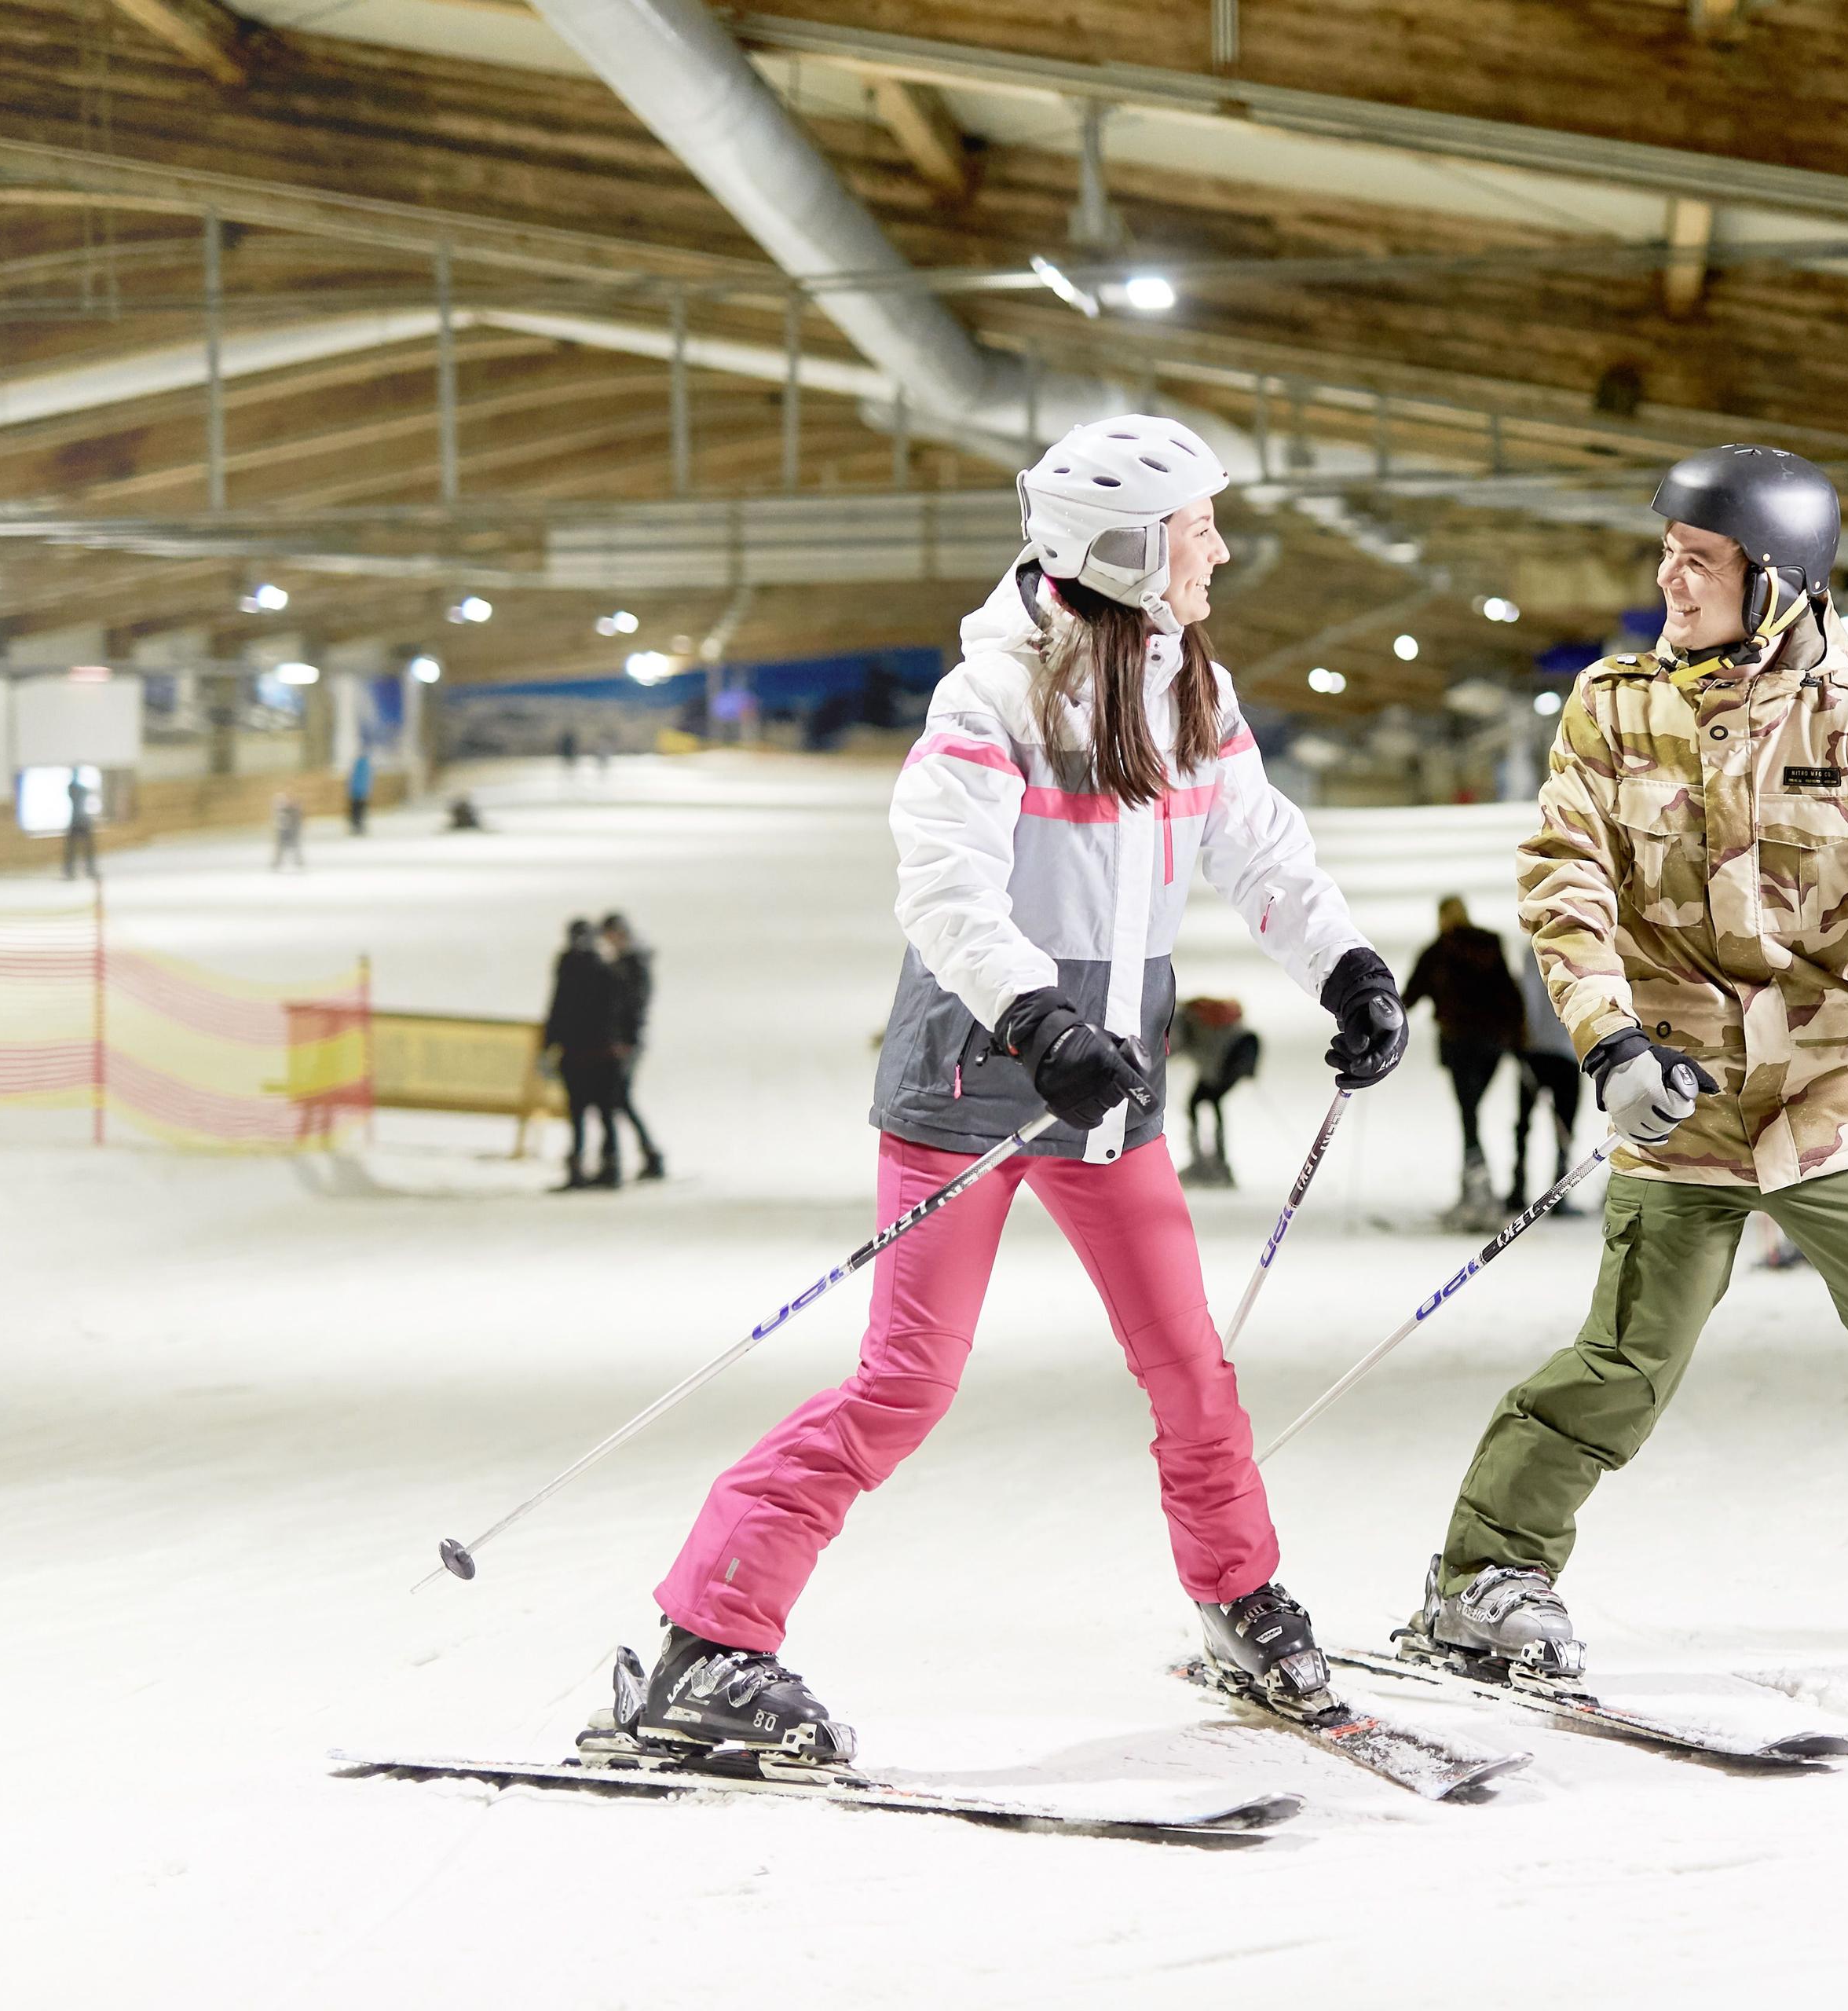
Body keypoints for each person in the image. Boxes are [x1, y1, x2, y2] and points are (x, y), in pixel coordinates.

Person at [623, 416, 1410, 1763]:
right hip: (981, 1073)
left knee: (1191, 1372)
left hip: (1110, 1088)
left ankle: (1237, 1599)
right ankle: (709, 1644)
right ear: (1120, 551)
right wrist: (1037, 1015)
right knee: (905, 1386)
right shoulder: (985, 698)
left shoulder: (1187, 693)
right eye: (1195, 528)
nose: (1218, 548)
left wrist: (1344, 967)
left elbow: (1259, 848)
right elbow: (945, 886)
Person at [1418, 444, 1848, 1738]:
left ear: (1775, 583)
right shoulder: (1612, 710)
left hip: (1834, 1092)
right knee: (1625, 1360)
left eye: (1698, 557)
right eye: (1665, 548)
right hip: (1680, 1094)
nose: (1669, 572)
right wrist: (1608, 1044)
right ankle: (1487, 1570)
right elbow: (1567, 890)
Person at [1400, 896, 1528, 1227]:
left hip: (1459, 1043)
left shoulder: (1438, 951)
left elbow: (1411, 995)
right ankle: (1476, 1183)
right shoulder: (1490, 944)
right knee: (1471, 1110)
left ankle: (1476, 1184)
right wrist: (1518, 1038)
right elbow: (1508, 991)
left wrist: (1379, 1021)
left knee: (1468, 1111)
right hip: (1493, 1043)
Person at [542, 917, 627, 1191]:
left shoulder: (572, 969)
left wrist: (549, 1046)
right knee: (602, 1114)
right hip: (600, 1054)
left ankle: (584, 1168)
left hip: (583, 1054)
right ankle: (608, 1167)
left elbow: (557, 1010)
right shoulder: (607, 970)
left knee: (583, 1115)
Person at [1503, 929, 1579, 1211]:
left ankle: (1522, 1187)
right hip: (1560, 1051)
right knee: (1561, 1125)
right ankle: (1555, 1192)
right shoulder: (1572, 952)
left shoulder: (1533, 952)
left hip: (1540, 1051)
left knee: (1526, 1124)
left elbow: (1527, 997)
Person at [599, 912, 667, 1181]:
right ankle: (649, 1154)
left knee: (618, 1098)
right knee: (619, 1099)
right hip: (626, 1041)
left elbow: (633, 1007)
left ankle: (649, 1155)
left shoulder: (632, 964)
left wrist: (626, 1040)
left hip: (627, 1043)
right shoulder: (629, 962)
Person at [1171, 996, 1261, 1189]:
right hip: (1238, 1052)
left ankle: (1207, 1164)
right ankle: (1214, 1161)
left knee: (1200, 1103)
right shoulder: (1191, 1014)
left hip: (1226, 1061)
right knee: (1205, 1103)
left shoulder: (1181, 1020)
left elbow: (1173, 1046)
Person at [60, 773, 97, 881]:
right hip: (77, 822)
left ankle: (88, 869)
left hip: (82, 821)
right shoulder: (75, 789)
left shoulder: (79, 790)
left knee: (87, 848)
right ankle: (70, 871)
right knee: (72, 849)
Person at [269, 789, 304, 872]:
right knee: (281, 847)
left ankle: (298, 861)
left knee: (295, 846)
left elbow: (297, 820)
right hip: (283, 832)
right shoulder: (281, 811)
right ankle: (277, 862)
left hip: (291, 831)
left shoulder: (292, 809)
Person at [346, 749, 373, 837]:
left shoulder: (357, 765)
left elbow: (352, 778)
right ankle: (359, 825)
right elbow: (368, 779)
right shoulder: (367, 766)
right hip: (363, 792)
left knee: (356, 811)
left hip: (355, 792)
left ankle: (356, 826)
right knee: (361, 810)